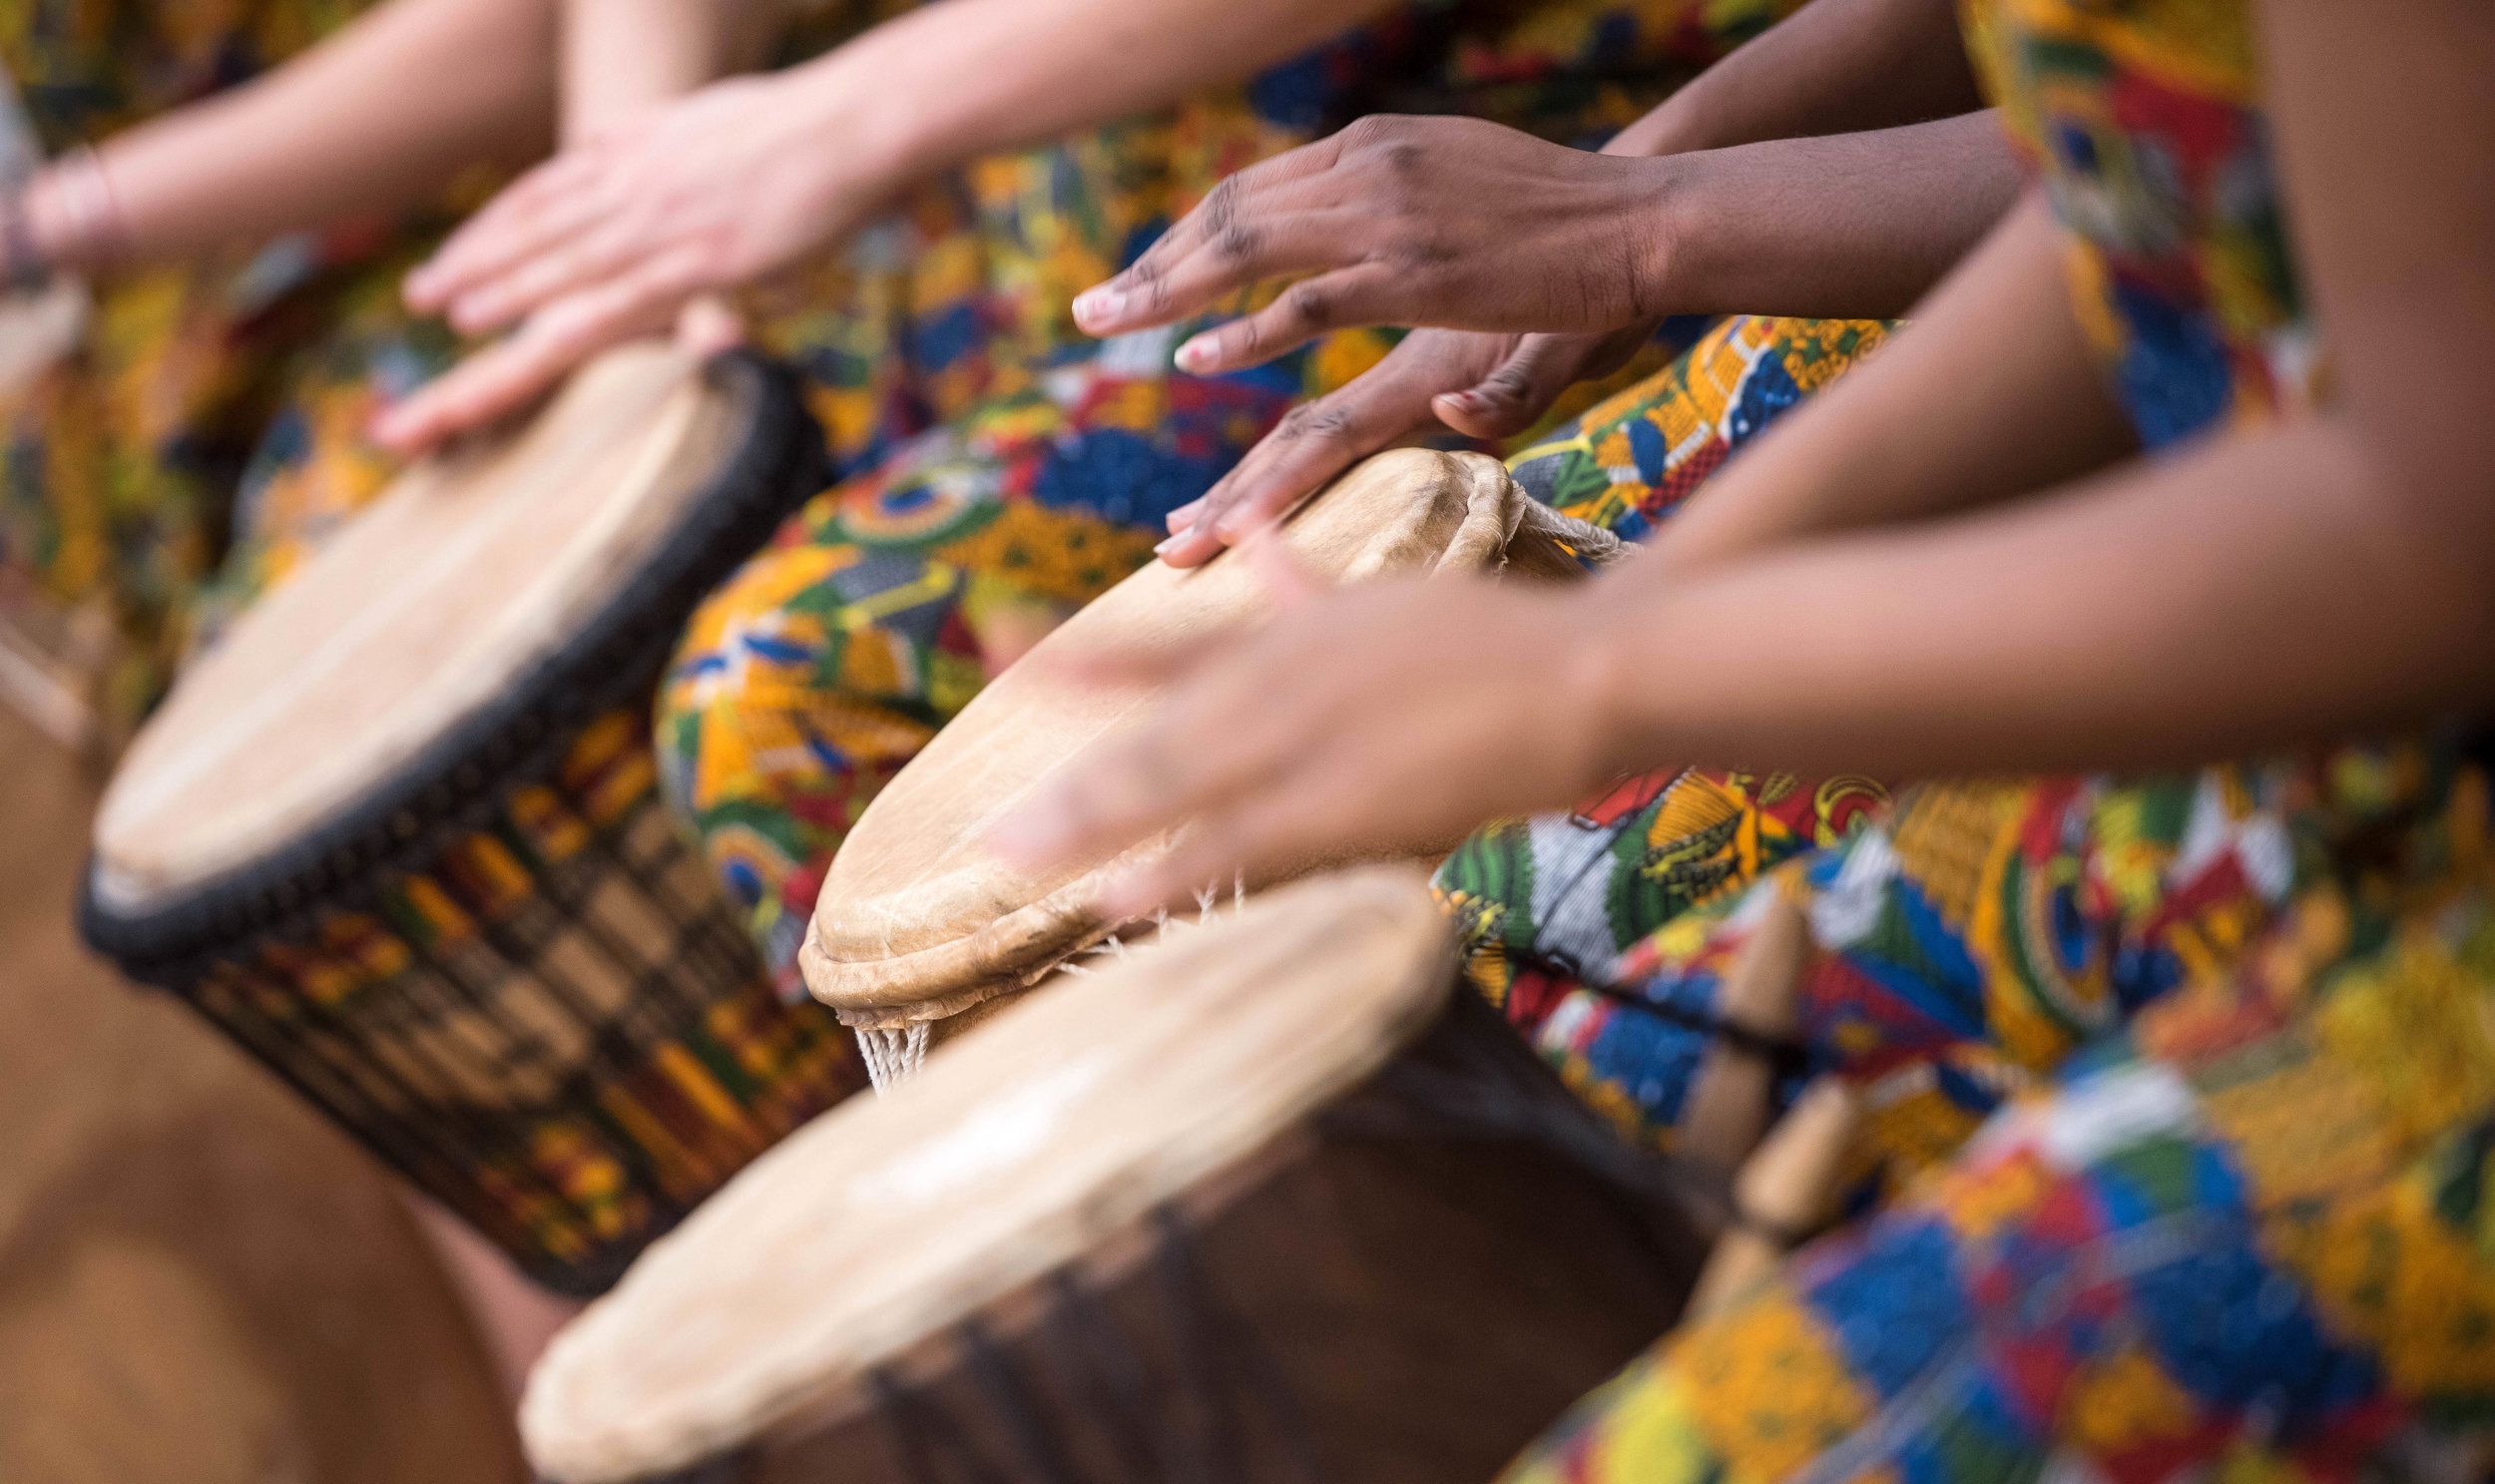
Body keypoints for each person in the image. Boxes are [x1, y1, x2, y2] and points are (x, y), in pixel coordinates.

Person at [993, 0, 2495, 1468]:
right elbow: (2167, 179)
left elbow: (2437, 528)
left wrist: (1606, 669)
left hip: (2424, 886)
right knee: (1452, 1139)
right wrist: (1586, 623)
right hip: (2249, 768)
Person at [390, 0, 2022, 997]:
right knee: (728, 688)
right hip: (1194, 167)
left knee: (786, 685)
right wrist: (636, 197)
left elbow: (2160, 168)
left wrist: (1641, 218)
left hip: (1508, 98)